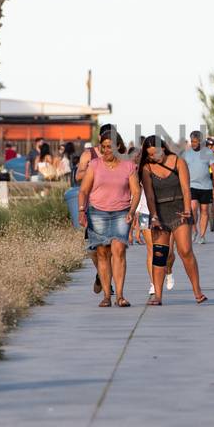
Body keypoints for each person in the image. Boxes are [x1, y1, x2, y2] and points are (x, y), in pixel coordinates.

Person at [135, 136, 208, 304]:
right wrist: (153, 217)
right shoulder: (146, 168)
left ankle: (197, 292)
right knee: (159, 254)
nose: (156, 157)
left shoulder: (178, 162)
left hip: (179, 211)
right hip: (159, 213)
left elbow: (185, 187)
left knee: (185, 250)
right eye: (151, 155)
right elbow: (150, 196)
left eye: (158, 152)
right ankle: (158, 295)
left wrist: (188, 209)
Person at [80, 129, 140, 307]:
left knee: (119, 252)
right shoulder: (95, 165)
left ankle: (120, 295)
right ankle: (107, 295)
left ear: (118, 146)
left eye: (110, 147)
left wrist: (132, 210)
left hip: (121, 212)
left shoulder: (128, 166)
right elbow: (83, 190)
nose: (106, 150)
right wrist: (81, 211)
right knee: (102, 253)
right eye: (104, 147)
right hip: (97, 212)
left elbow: (136, 191)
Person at [180, 131, 214, 243]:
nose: (193, 143)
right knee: (193, 208)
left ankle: (202, 235)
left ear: (200, 141)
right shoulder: (186, 154)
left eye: (195, 141)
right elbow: (181, 171)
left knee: (204, 211)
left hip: (206, 187)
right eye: (192, 141)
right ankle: (194, 230)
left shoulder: (208, 153)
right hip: (191, 186)